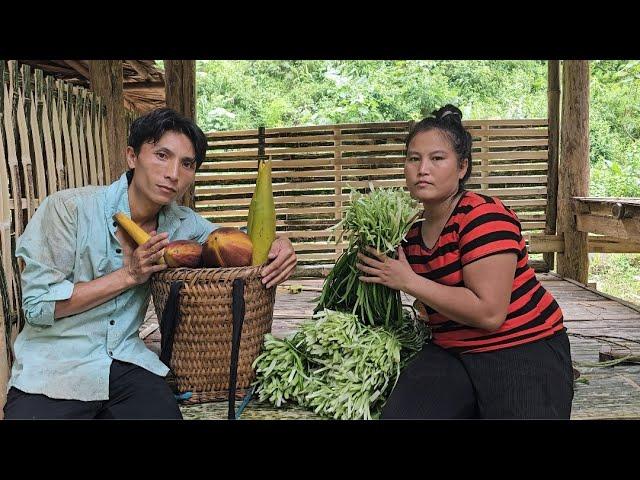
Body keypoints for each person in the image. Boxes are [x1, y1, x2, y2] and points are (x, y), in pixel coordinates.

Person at [3, 108, 297, 419]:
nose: (173, 173)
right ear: (132, 156)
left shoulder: (183, 225)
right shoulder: (68, 210)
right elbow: (38, 307)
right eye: (161, 155)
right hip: (56, 368)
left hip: (127, 363)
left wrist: (281, 245)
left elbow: (239, 245)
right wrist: (128, 275)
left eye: (187, 164)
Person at [355, 105, 574, 419]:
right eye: (413, 159)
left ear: (462, 167)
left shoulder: (483, 216)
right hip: (451, 351)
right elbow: (430, 297)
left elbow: (489, 313)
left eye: (437, 158)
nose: (422, 169)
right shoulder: (410, 233)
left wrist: (408, 281)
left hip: (520, 346)